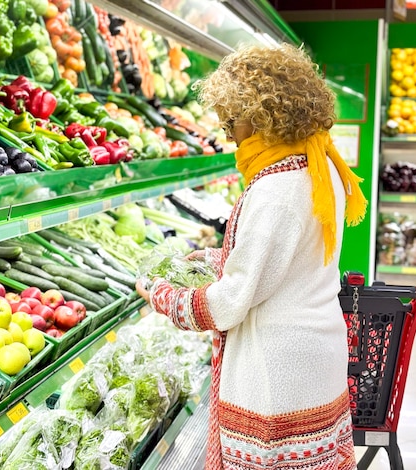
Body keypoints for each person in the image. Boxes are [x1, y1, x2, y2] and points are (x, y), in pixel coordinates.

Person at [136, 43, 367, 469]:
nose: (227, 133)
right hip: (315, 358)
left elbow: (230, 303)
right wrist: (215, 255)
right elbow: (289, 258)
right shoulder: (321, 167)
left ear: (263, 115)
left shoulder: (275, 189)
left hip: (277, 373)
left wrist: (163, 296)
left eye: (232, 119)